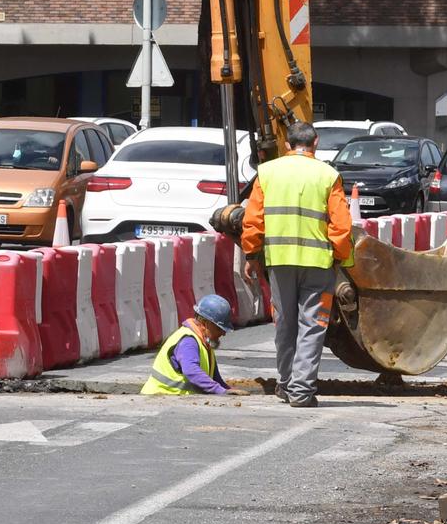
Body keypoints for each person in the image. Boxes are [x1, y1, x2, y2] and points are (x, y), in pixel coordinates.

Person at [240, 120, 354, 408]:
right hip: (317, 263)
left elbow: (253, 221)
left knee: (285, 323)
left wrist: (251, 256)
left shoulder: (266, 173)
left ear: (287, 144)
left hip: (279, 262)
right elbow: (341, 226)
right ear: (315, 143)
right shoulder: (328, 175)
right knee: (312, 325)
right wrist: (342, 258)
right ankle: (301, 391)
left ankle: (286, 383)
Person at [140, 293, 236, 396]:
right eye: (219, 329)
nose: (223, 333)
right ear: (204, 323)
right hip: (158, 398)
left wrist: (228, 390)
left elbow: (216, 379)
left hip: (175, 400)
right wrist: (221, 391)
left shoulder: (204, 342)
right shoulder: (188, 341)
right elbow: (191, 371)